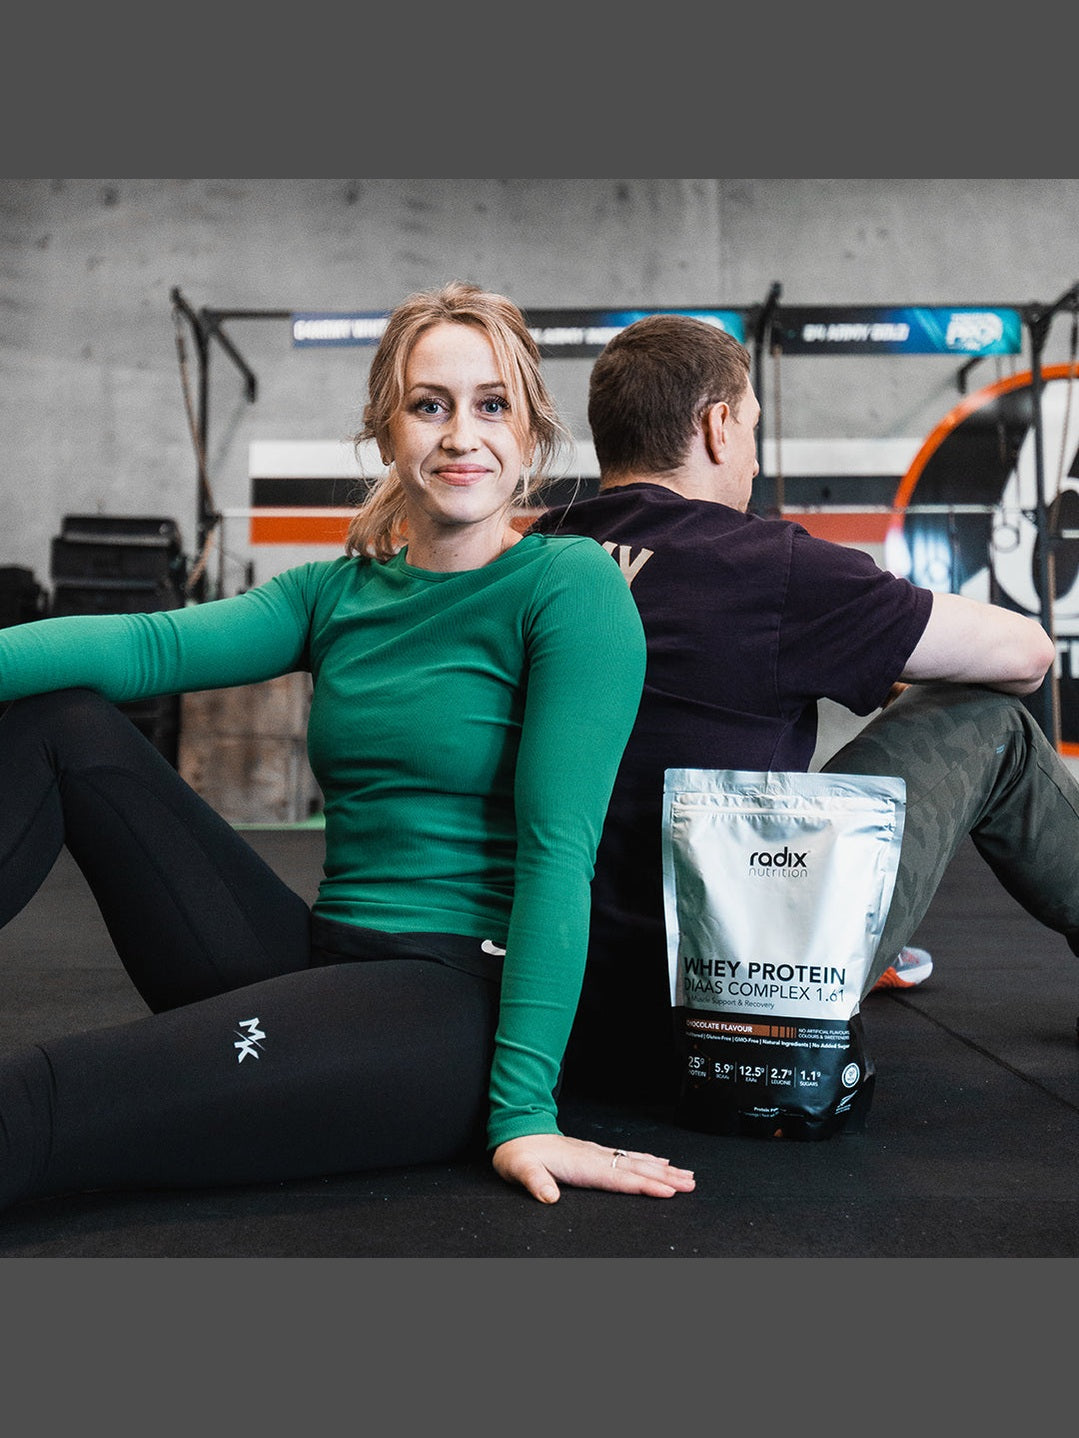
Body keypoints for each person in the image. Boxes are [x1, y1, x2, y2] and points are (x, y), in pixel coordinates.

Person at [0, 281, 697, 1211]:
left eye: (492, 405)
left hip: (445, 1002)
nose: (461, 435)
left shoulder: (567, 586)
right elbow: (146, 646)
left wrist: (524, 1113)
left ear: (530, 432)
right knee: (63, 728)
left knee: (38, 1105)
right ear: (386, 430)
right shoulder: (334, 594)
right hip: (316, 961)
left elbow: (557, 853)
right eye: (429, 406)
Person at [530, 312, 1077, 1107]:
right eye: (752, 428)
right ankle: (824, 936)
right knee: (984, 722)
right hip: (728, 998)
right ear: (717, 426)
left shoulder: (535, 552)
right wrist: (891, 658)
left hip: (556, 998)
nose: (753, 457)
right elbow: (1026, 654)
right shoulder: (767, 565)